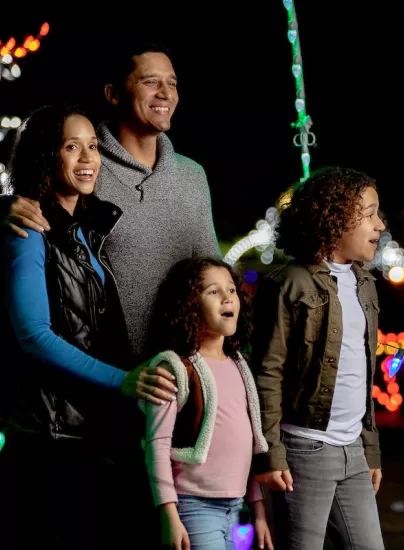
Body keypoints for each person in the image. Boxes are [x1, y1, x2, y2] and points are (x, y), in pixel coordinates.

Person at [0, 104, 177, 549]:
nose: (88, 159)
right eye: (71, 147)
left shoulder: (87, 230)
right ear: (45, 156)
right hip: (50, 439)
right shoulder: (29, 229)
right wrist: (124, 381)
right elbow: (33, 337)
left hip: (93, 435)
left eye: (93, 147)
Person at [1, 40, 221, 360]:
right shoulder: (83, 171)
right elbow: (33, 202)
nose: (165, 93)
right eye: (150, 82)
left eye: (171, 83)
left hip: (180, 372)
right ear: (113, 93)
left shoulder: (193, 176)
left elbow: (212, 273)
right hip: (108, 376)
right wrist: (3, 205)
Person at [251, 166, 387, 549]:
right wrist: (271, 454)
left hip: (354, 452)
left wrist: (369, 449)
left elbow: (364, 377)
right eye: (371, 214)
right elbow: (267, 374)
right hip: (304, 451)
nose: (380, 225)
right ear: (336, 218)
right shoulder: (289, 283)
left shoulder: (366, 285)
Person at [144, 257, 273, 550]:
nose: (228, 297)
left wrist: (259, 512)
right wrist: (169, 516)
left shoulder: (240, 365)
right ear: (189, 305)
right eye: (213, 292)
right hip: (193, 507)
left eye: (231, 290)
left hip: (236, 507)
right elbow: (157, 445)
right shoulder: (174, 368)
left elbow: (250, 445)